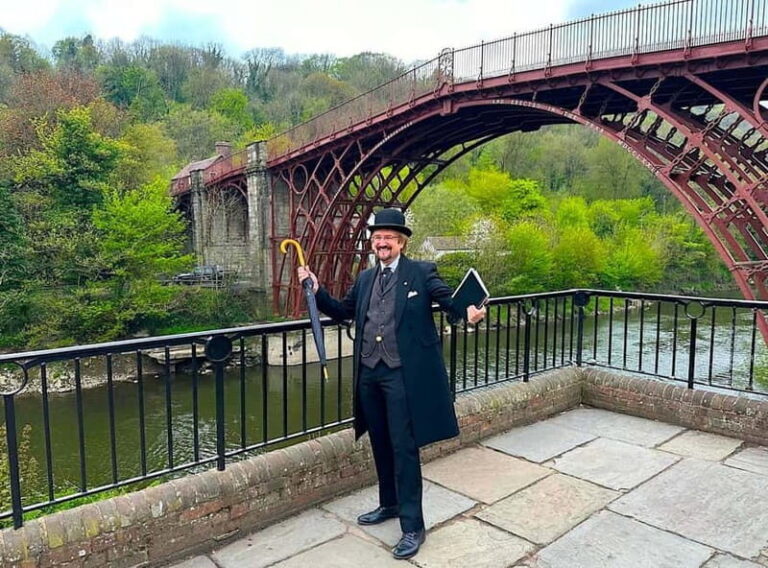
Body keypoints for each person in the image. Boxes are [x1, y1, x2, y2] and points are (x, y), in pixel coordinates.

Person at [297, 208, 485, 560]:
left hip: (402, 375)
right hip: (370, 372)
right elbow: (342, 311)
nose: (382, 242)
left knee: (403, 448)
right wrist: (317, 290)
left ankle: (413, 526)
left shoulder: (421, 273)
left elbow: (449, 301)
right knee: (380, 443)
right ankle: (390, 505)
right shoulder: (366, 278)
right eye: (377, 237)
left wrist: (469, 311)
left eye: (388, 237)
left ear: (401, 242)